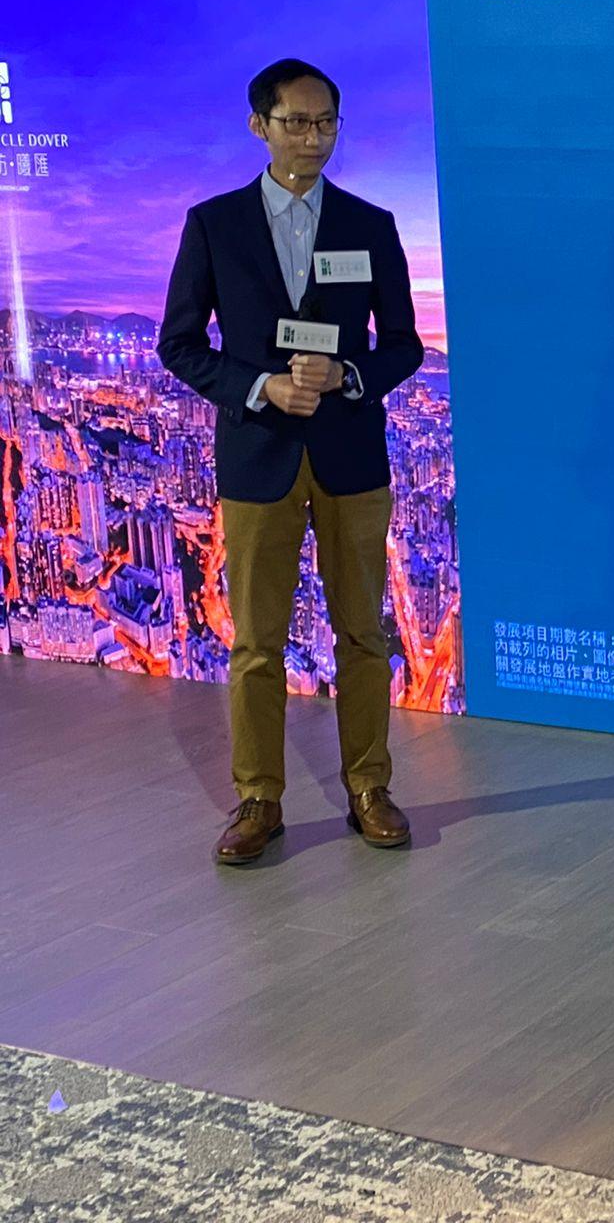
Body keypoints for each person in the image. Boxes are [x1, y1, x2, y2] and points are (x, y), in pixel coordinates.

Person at [158, 58, 424, 864]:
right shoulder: (215, 224)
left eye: (326, 123)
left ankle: (369, 788)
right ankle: (257, 800)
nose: (313, 137)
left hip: (350, 455)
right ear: (259, 126)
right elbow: (178, 344)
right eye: (296, 122)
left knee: (363, 634)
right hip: (258, 455)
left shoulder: (370, 224)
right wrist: (260, 386)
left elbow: (404, 344)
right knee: (257, 643)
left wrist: (348, 375)